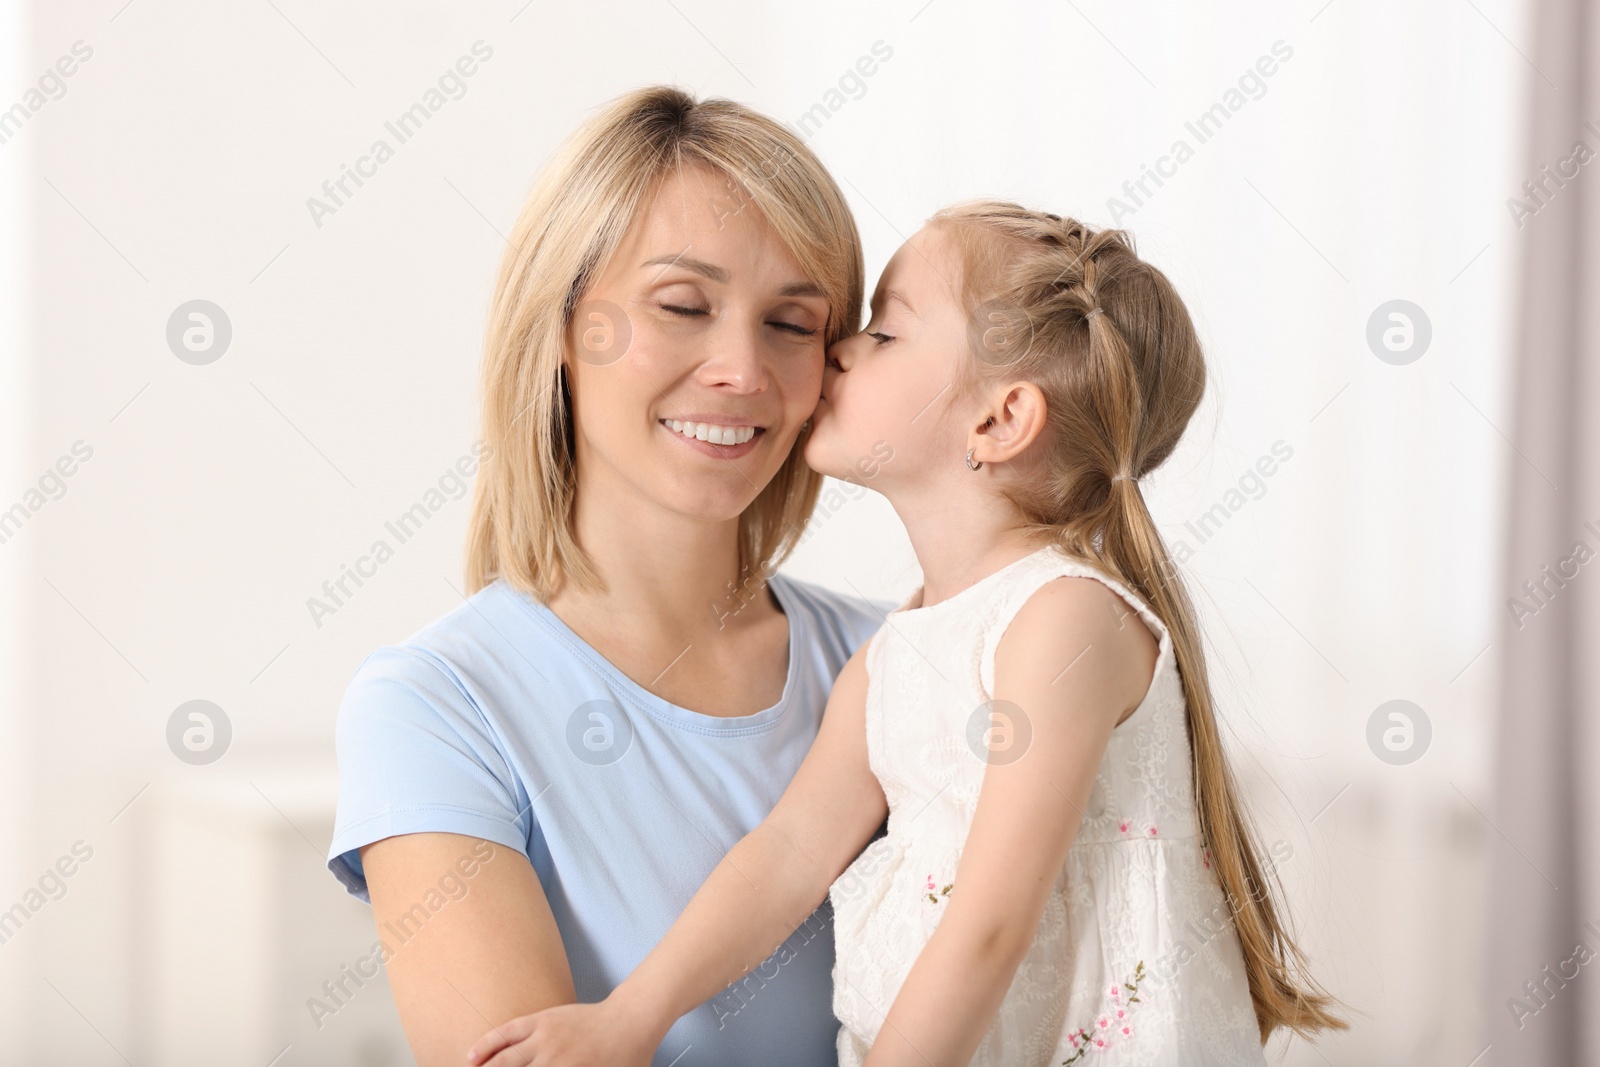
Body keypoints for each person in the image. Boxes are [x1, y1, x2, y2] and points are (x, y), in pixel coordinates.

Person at [466, 203, 1348, 1066]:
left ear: (998, 421)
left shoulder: (1062, 622)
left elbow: (990, 925)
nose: (838, 348)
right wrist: (629, 1018)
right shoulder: (896, 651)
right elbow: (783, 858)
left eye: (885, 333)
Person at [324, 85, 895, 1067]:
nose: (741, 368)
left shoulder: (908, 660)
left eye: (792, 324)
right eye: (682, 305)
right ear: (561, 326)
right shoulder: (437, 707)